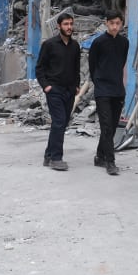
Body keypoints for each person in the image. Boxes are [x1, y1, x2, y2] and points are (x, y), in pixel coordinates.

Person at [36, 12, 81, 171]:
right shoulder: (49, 45)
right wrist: (46, 86)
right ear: (59, 26)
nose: (69, 27)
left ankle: (48, 155)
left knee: (61, 124)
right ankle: (56, 158)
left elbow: (77, 68)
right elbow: (39, 68)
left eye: (71, 24)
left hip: (69, 91)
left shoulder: (75, 46)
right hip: (54, 90)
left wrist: (77, 85)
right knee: (59, 121)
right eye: (66, 24)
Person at [89, 9, 129, 176]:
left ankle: (100, 156)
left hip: (118, 90)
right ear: (106, 23)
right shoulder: (98, 42)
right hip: (102, 90)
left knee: (111, 127)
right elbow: (92, 65)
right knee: (106, 126)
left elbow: (121, 63)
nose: (114, 27)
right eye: (111, 23)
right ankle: (110, 162)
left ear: (121, 24)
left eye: (117, 23)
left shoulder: (124, 43)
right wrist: (98, 82)